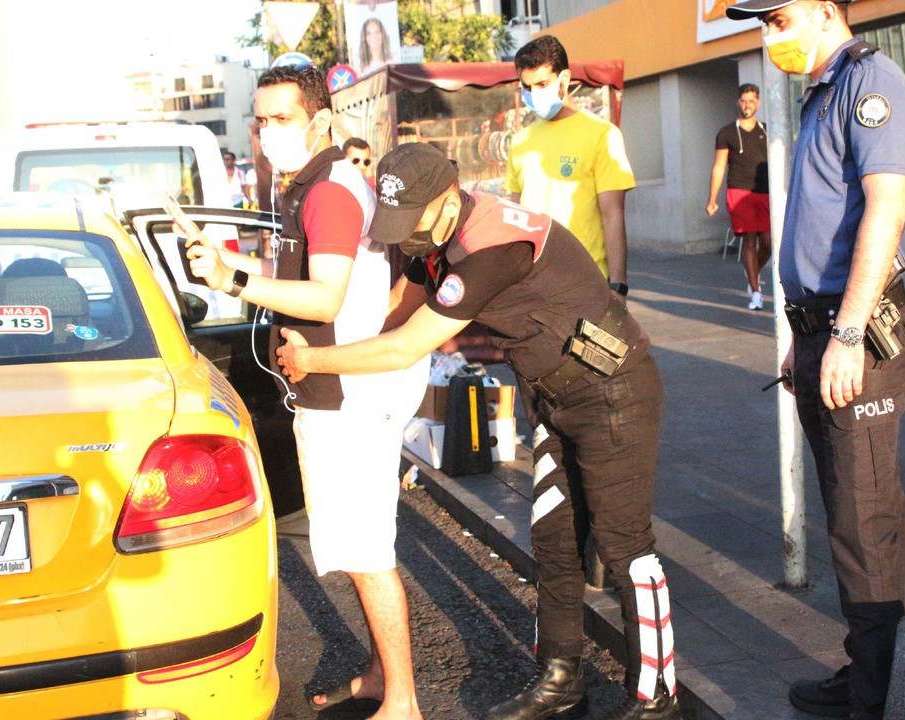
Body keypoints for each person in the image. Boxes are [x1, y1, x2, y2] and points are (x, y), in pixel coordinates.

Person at [277, 143, 680, 720]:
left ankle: (657, 698)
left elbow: (405, 344)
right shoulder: (435, 237)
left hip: (614, 391)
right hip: (554, 396)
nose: (404, 238)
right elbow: (395, 312)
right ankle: (562, 678)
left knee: (624, 548)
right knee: (554, 543)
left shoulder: (492, 247)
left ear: (446, 198)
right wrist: (332, 347)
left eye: (408, 221)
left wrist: (316, 362)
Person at [169, 63, 428, 720]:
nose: (266, 132)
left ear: (319, 120)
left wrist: (233, 280)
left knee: (368, 553)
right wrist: (236, 269)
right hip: (337, 387)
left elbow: (326, 295)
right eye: (260, 119)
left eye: (280, 118)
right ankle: (379, 674)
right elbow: (315, 280)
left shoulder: (330, 192)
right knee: (351, 543)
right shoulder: (308, 185)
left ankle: (402, 702)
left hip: (350, 393)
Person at [726, 1, 905, 718]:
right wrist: (802, 332)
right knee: (865, 511)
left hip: (856, 331)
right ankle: (882, 669)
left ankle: (877, 695)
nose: (768, 34)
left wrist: (843, 335)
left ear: (826, 11)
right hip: (822, 328)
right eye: (762, 23)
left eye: (778, 18)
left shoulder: (871, 84)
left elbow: (886, 208)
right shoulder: (823, 93)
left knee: (861, 520)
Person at [506, 35, 636, 297]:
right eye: (527, 87)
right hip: (531, 286)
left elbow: (613, 216)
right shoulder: (520, 142)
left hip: (586, 283)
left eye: (542, 84)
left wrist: (618, 286)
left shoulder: (602, 135)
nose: (533, 94)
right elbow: (515, 215)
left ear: (563, 79)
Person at [706, 83, 772, 310]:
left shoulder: (767, 129)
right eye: (744, 100)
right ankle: (755, 292)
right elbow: (719, 166)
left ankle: (752, 269)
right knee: (749, 240)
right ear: (738, 102)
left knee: (768, 243)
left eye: (752, 100)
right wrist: (712, 199)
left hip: (765, 191)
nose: (747, 105)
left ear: (758, 103)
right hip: (738, 190)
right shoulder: (727, 133)